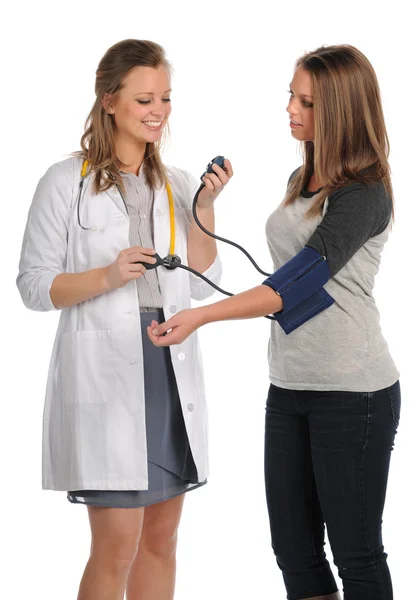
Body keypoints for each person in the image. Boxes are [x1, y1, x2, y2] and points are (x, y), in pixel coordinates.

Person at [148, 44, 400, 600]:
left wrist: (201, 315)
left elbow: (293, 286)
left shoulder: (365, 193)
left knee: (356, 554)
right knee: (296, 556)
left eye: (306, 101)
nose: (291, 108)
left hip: (352, 392)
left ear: (338, 110)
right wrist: (207, 206)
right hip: (289, 387)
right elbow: (284, 272)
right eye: (291, 94)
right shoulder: (302, 174)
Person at [16, 38, 232, 600]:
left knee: (162, 543)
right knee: (116, 550)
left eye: (164, 97)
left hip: (168, 362)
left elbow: (201, 267)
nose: (158, 111)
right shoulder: (65, 181)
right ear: (109, 100)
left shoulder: (178, 183)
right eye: (143, 100)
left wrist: (205, 208)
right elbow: (34, 287)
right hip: (108, 374)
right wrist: (107, 277)